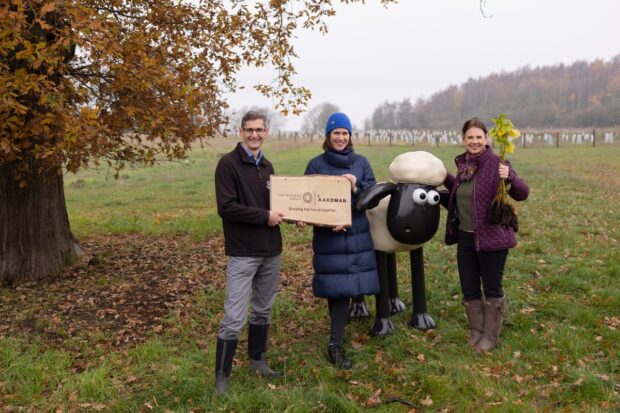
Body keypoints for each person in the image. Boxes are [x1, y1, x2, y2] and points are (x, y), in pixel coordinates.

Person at [300, 112, 380, 369]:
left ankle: (336, 341)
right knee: (336, 288)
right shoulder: (316, 165)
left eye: (345, 133)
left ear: (350, 136)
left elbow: (373, 196)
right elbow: (307, 199)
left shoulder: (361, 163)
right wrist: (308, 218)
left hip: (354, 235)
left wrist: (356, 186)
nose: (341, 138)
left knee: (343, 289)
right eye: (336, 133)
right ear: (328, 136)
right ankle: (336, 341)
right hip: (328, 239)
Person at [213, 111, 284, 395]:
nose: (254, 134)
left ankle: (257, 360)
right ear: (241, 131)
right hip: (243, 252)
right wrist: (264, 216)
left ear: (266, 131)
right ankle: (222, 378)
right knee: (233, 317)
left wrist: (296, 215)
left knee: (263, 310)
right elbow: (226, 207)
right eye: (249, 130)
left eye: (259, 130)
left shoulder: (267, 166)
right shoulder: (228, 165)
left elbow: (278, 204)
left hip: (271, 250)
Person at [443, 117, 529, 352]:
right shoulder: (464, 166)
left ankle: (490, 336)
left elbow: (522, 193)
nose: (474, 141)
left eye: (478, 137)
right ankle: (476, 332)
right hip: (465, 238)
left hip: (492, 238)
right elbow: (463, 194)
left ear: (486, 139)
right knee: (469, 287)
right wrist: (443, 177)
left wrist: (510, 175)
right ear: (463, 140)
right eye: (469, 137)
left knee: (491, 288)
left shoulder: (497, 163)